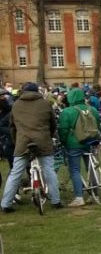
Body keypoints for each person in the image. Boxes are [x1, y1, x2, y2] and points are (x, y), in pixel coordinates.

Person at [2, 83, 62, 212]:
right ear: (37, 91)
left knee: (15, 173)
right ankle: (56, 201)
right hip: (43, 140)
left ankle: (6, 204)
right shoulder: (45, 103)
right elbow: (53, 123)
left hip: (23, 141)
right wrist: (49, 135)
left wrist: (16, 140)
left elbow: (12, 126)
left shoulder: (16, 105)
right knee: (49, 170)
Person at [56, 88, 101, 207]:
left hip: (73, 143)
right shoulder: (92, 109)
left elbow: (63, 130)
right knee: (91, 167)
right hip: (91, 141)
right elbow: (99, 124)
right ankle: (95, 194)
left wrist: (63, 142)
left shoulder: (67, 111)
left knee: (75, 170)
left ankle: (79, 197)